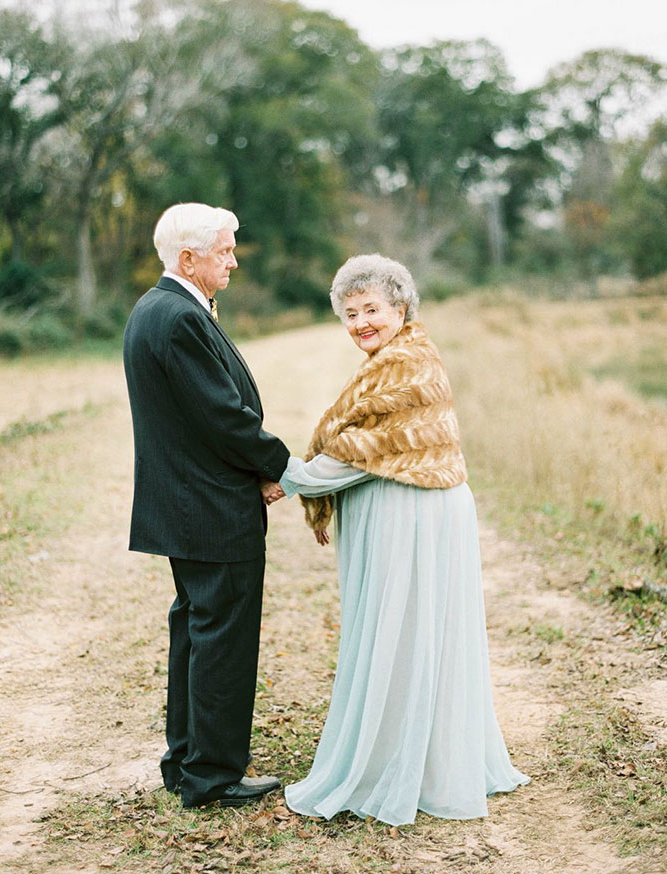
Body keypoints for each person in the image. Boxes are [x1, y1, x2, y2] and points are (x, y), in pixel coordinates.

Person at [276, 254, 529, 826]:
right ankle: (411, 757)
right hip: (404, 510)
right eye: (350, 312)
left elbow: (368, 453)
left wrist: (290, 477)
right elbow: (365, 446)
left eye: (373, 309)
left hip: (413, 514)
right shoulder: (390, 359)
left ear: (401, 308)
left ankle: (401, 767)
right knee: (406, 632)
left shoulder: (408, 364)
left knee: (407, 632)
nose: (362, 322)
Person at [123, 203, 289, 809]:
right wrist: (277, 466)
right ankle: (214, 775)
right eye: (224, 250)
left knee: (196, 633)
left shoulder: (158, 309)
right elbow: (221, 417)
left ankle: (187, 761)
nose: (234, 259)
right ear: (188, 258)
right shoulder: (176, 318)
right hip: (211, 508)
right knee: (221, 637)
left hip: (191, 504)